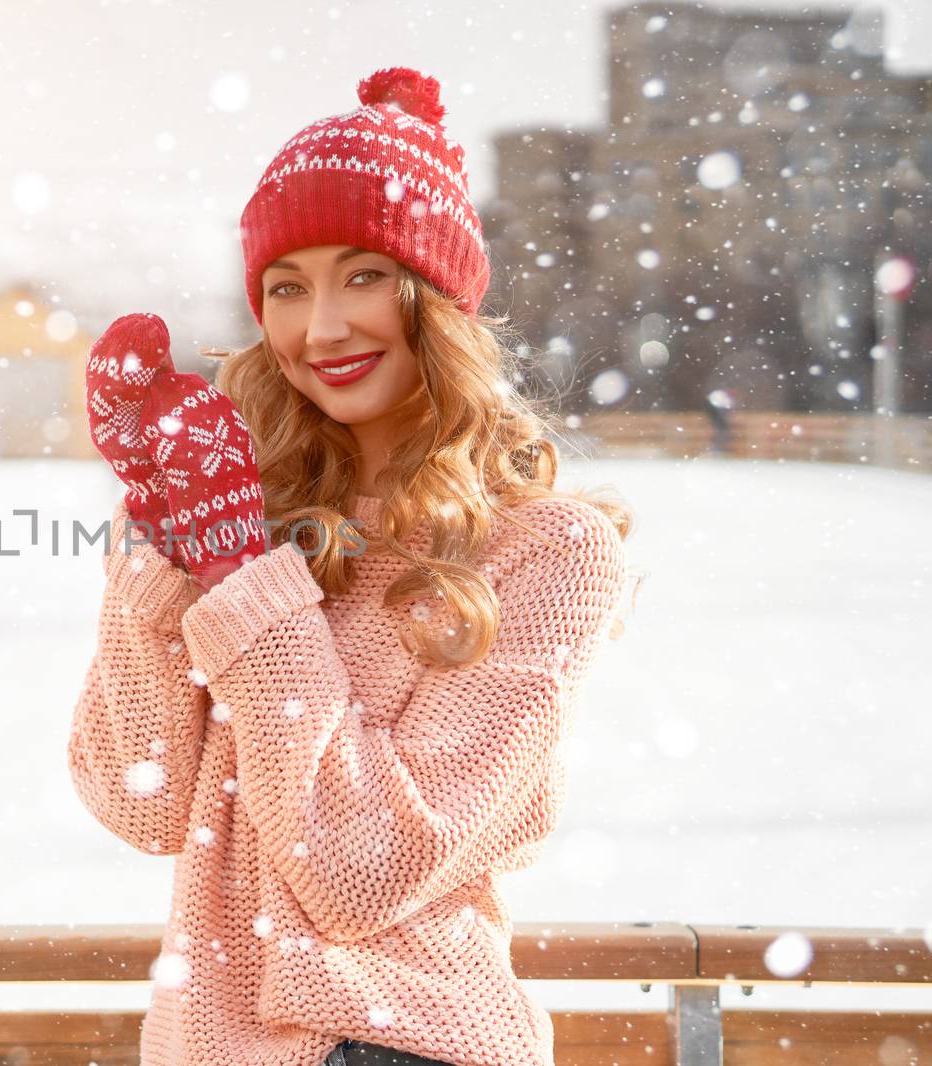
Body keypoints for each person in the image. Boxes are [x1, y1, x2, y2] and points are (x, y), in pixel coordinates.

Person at [71, 68, 636, 1066]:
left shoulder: (547, 552)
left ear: (438, 299)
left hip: (408, 1046)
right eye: (286, 287)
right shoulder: (257, 521)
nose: (319, 327)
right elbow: (140, 798)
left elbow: (360, 870)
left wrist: (243, 576)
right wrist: (158, 552)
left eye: (363, 274)